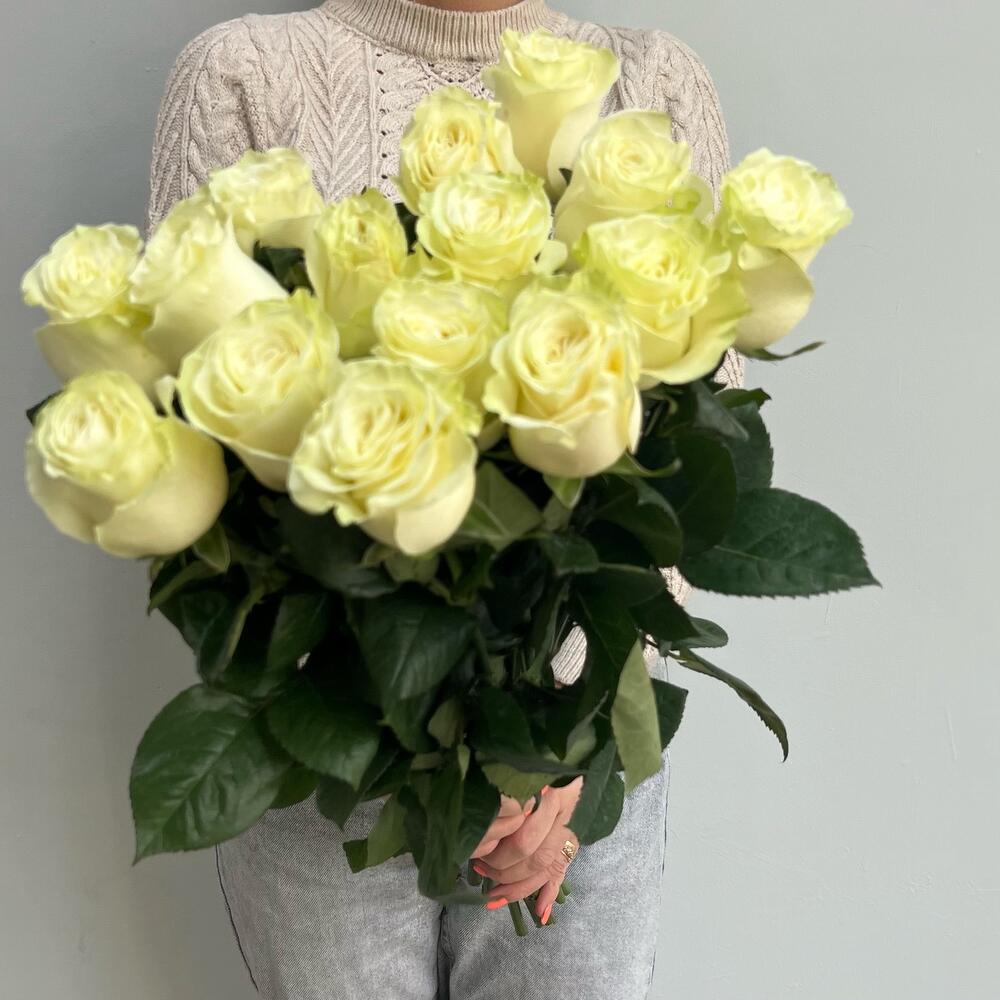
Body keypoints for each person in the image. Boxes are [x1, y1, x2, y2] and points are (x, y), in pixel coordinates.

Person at [146, 2, 744, 997]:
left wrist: (554, 749)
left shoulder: (653, 85)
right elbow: (186, 439)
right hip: (328, 757)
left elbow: (697, 459)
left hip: (574, 757)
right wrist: (407, 740)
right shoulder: (246, 76)